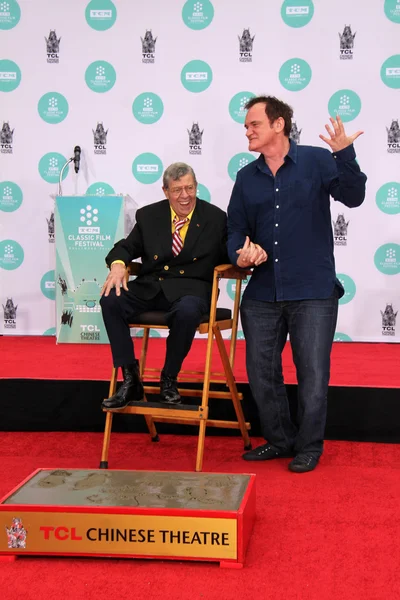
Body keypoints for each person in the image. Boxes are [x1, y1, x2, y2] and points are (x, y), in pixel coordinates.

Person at [227, 95, 367, 473]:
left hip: (314, 291)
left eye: (254, 124)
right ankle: (279, 439)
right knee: (261, 374)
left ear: (278, 125)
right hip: (262, 293)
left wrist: (345, 155)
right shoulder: (245, 177)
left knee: (313, 375)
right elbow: (235, 229)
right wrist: (241, 252)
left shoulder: (318, 161)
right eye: (246, 125)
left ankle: (308, 446)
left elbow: (353, 198)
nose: (248, 130)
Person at [100, 162, 228, 409]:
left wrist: (244, 256)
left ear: (196, 186)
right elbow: (127, 247)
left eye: (190, 188)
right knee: (110, 299)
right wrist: (118, 263)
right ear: (165, 191)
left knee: (188, 311)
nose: (185, 196)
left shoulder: (215, 218)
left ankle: (169, 378)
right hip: (152, 287)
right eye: (177, 190)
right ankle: (130, 378)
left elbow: (229, 254)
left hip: (192, 291)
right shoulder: (149, 216)